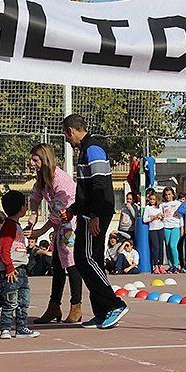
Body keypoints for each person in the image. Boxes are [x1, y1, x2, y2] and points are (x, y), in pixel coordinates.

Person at [62, 114, 128, 329]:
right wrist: (73, 210)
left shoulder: (93, 148)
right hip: (87, 212)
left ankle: (114, 304)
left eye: (65, 134)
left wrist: (95, 215)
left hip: (95, 213)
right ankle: (102, 311)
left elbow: (100, 185)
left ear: (71, 131)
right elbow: (86, 190)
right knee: (92, 260)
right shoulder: (86, 150)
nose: (66, 139)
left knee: (85, 258)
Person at [25, 143, 83, 324]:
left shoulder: (61, 180)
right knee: (58, 265)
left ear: (44, 159)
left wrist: (40, 231)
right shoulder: (42, 177)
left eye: (35, 159)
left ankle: (76, 306)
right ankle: (54, 306)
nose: (31, 162)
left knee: (71, 265)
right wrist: (32, 218)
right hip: (60, 226)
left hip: (70, 224)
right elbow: (34, 198)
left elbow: (61, 212)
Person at [0, 190, 40, 339]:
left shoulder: (16, 226)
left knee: (23, 300)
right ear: (22, 208)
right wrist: (9, 267)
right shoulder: (9, 226)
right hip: (12, 270)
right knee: (10, 301)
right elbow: (3, 248)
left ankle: (21, 328)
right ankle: (5, 328)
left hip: (20, 269)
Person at [160, 187, 182, 273]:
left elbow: (181, 216)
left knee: (173, 246)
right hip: (166, 226)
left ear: (173, 194)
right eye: (166, 195)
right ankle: (170, 265)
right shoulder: (162, 204)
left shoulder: (177, 203)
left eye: (169, 194)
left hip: (175, 226)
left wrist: (181, 227)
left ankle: (176, 265)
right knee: (168, 246)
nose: (167, 196)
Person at [143, 190, 165, 274]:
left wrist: (161, 217)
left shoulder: (160, 207)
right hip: (153, 229)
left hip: (160, 228)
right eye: (150, 199)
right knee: (155, 247)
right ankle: (155, 265)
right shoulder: (148, 208)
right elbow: (145, 220)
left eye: (153, 199)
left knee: (160, 247)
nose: (152, 201)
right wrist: (154, 217)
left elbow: (163, 216)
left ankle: (161, 265)